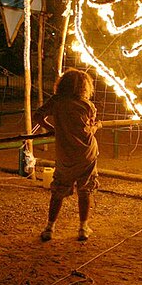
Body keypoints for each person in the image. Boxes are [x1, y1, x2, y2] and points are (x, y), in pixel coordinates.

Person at [33, 68, 101, 242]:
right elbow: (89, 131)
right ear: (84, 87)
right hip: (86, 154)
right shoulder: (87, 105)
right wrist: (97, 126)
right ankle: (83, 228)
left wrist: (54, 130)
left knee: (58, 191)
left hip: (65, 155)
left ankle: (49, 228)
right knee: (85, 190)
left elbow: (38, 115)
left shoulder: (56, 101)